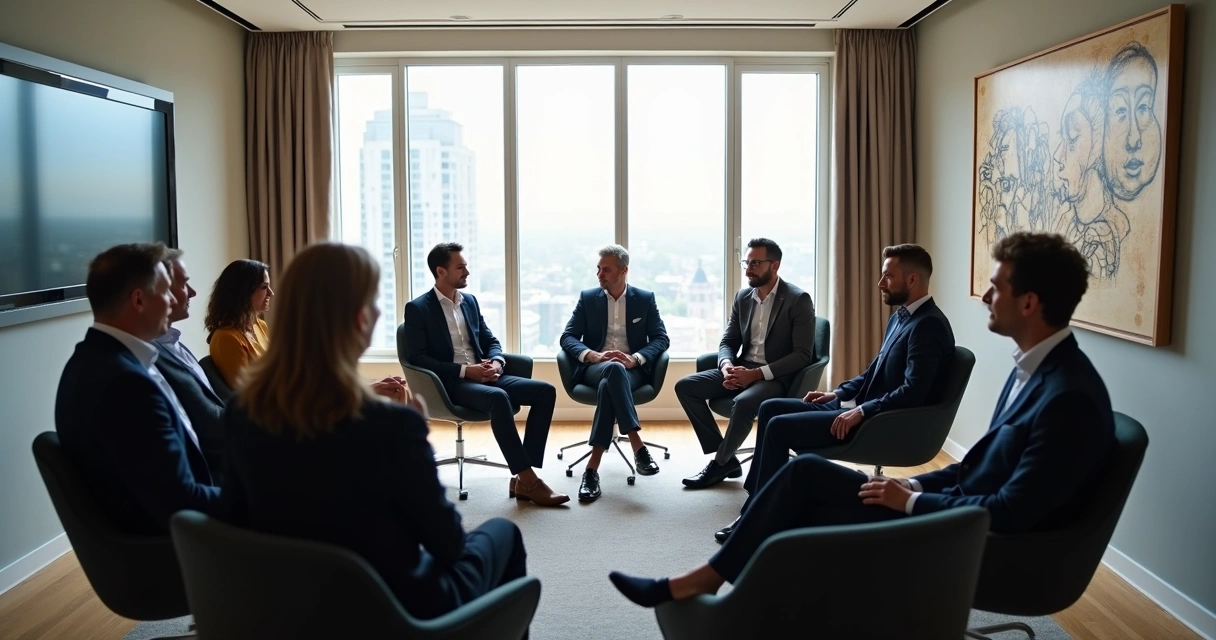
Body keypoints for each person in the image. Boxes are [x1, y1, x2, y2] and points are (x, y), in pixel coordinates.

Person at [608, 232, 1114, 608]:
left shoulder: (1067, 396)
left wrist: (912, 497)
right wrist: (849, 403)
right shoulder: (1034, 369)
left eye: (995, 286)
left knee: (796, 465)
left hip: (965, 540)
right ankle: (727, 569)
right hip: (942, 502)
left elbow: (1011, 510)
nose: (983, 295)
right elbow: (977, 464)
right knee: (800, 471)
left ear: (1029, 302)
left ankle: (720, 577)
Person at [221, 243, 527, 621]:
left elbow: (234, 519)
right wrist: (419, 444)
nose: (379, 312)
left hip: (288, 605)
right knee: (504, 535)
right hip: (392, 609)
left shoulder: (242, 411)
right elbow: (447, 543)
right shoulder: (391, 426)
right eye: (372, 301)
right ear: (356, 318)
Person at [715, 244, 954, 541]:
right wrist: (837, 393)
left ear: (913, 280)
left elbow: (913, 392)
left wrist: (861, 411)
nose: (880, 283)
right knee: (770, 408)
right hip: (858, 410)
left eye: (887, 277)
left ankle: (760, 515)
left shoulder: (928, 325)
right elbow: (873, 372)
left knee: (778, 427)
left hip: (879, 423)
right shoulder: (901, 317)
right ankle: (758, 501)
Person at [55, 242, 221, 534]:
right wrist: (256, 499)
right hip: (184, 547)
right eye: (167, 291)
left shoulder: (93, 360)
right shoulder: (125, 385)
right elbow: (181, 502)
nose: (172, 301)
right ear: (139, 301)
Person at [403, 242, 568, 507]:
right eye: (461, 266)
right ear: (441, 271)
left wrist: (497, 362)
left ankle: (524, 477)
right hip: (452, 384)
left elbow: (490, 339)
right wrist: (466, 371)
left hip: (487, 373)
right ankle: (529, 479)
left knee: (545, 391)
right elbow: (418, 357)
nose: (467, 271)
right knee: (498, 398)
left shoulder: (469, 301)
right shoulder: (419, 308)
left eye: (466, 265)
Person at [674, 238, 815, 489]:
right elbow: (728, 340)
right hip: (741, 367)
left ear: (775, 266)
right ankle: (725, 455)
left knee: (743, 402)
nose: (749, 269)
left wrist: (756, 375)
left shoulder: (797, 299)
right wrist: (727, 365)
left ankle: (719, 464)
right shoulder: (743, 297)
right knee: (685, 387)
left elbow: (802, 355)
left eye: (756, 263)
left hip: (774, 377)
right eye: (747, 263)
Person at [559, 244, 671, 502]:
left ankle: (591, 470)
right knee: (611, 369)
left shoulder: (644, 299)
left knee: (613, 378)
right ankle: (637, 445)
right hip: (595, 367)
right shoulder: (588, 298)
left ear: (623, 270)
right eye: (598, 269)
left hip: (631, 371)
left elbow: (660, 338)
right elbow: (568, 337)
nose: (599, 274)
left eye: (606, 269)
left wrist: (636, 358)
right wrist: (593, 355)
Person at [153, 249, 228, 480]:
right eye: (184, 285)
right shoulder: (146, 361)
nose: (193, 293)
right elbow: (207, 427)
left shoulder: (173, 342)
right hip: (219, 474)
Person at [205, 259, 272, 388]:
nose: (270, 293)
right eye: (264, 287)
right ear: (243, 292)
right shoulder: (226, 338)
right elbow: (246, 390)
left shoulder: (259, 325)